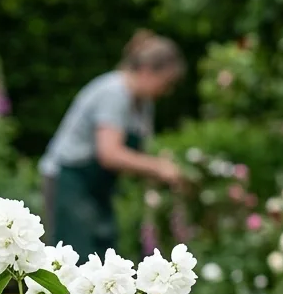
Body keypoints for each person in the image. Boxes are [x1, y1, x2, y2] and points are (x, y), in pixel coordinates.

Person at [40, 30, 185, 257]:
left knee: (104, 257)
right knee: (74, 259)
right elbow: (109, 154)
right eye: (165, 82)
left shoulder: (143, 104)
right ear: (147, 71)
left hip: (97, 188)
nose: (167, 91)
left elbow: (138, 152)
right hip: (70, 181)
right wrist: (158, 167)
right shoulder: (115, 92)